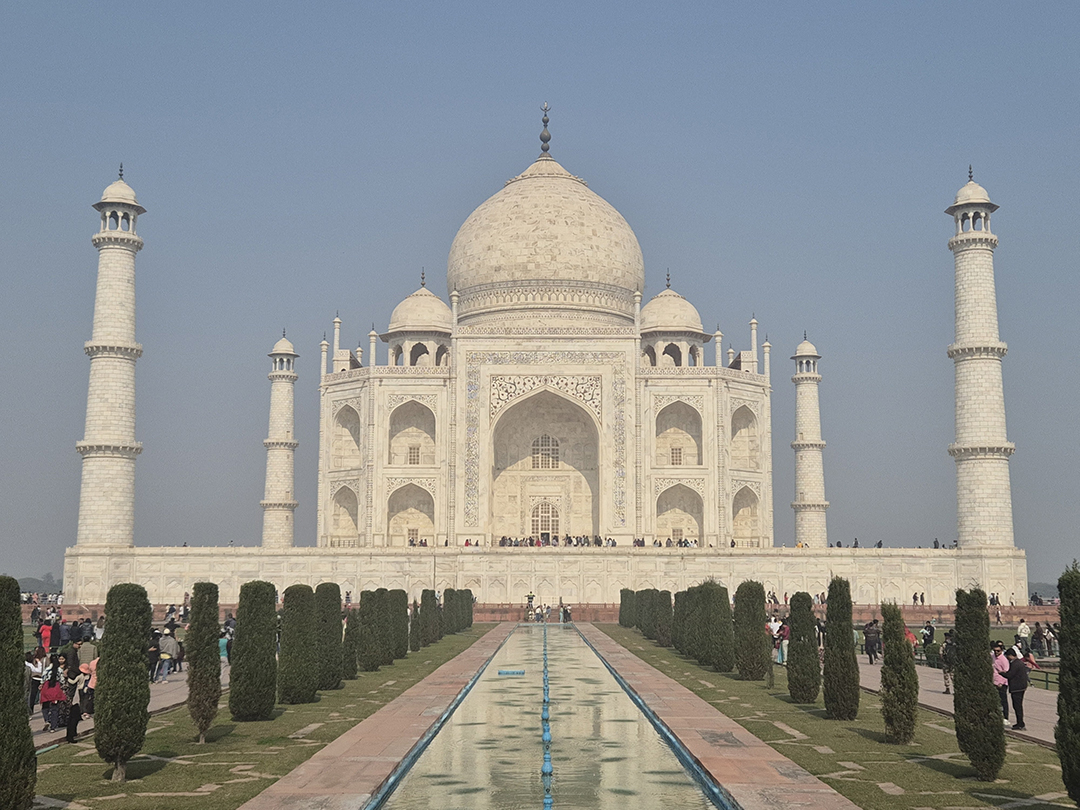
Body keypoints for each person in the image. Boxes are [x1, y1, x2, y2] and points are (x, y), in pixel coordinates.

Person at [1002, 647, 1029, 730]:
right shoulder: (1019, 663)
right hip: (1021, 687)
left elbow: (1010, 675)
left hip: (1017, 688)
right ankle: (1019, 722)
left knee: (1017, 706)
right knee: (1017, 706)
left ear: (1010, 655)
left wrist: (1001, 673)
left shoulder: (1015, 663)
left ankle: (1020, 723)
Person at [992, 642, 1010, 722]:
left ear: (1001, 651)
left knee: (1003, 700)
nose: (996, 652)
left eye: (998, 651)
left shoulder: (1004, 660)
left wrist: (1001, 683)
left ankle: (1005, 716)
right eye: (995, 650)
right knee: (995, 700)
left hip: (1001, 683)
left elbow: (1006, 672)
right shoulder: (993, 657)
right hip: (994, 681)